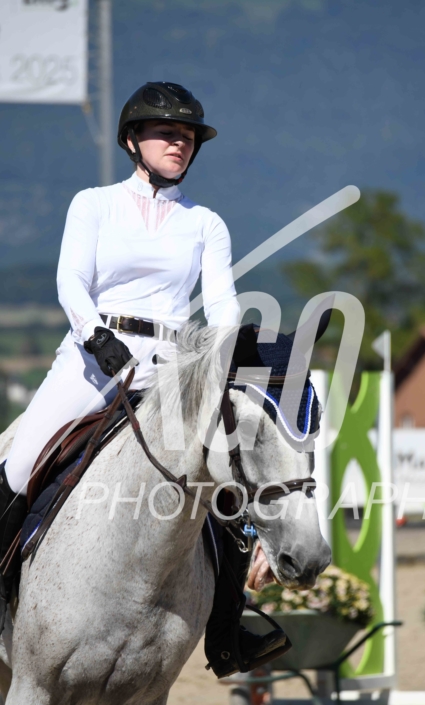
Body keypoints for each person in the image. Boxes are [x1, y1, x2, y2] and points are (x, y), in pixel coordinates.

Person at [0, 81, 286, 676]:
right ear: (133, 140)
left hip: (173, 367)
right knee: (20, 462)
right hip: (93, 357)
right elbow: (71, 281)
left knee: (222, 490)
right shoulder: (94, 204)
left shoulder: (205, 223)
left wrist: (225, 349)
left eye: (188, 137)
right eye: (166, 133)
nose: (179, 143)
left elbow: (222, 303)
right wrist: (95, 335)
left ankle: (229, 631)